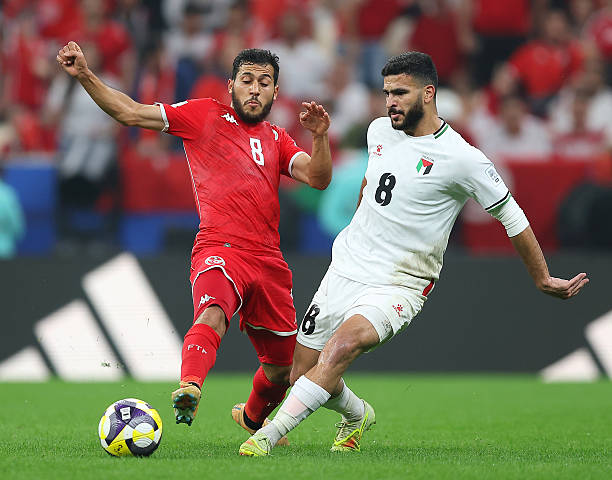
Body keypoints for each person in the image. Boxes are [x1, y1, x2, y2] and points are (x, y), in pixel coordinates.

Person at [239, 52, 589, 457]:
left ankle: (266, 436)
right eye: (387, 92)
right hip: (346, 268)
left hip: (400, 282)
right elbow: (371, 186)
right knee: (302, 372)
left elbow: (512, 216)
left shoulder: (463, 159)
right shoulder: (379, 131)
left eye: (400, 93)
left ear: (428, 93)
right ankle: (357, 414)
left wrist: (541, 277)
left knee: (343, 347)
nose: (391, 102)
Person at [56, 42, 332, 441]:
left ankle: (252, 418)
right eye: (247, 80)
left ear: (275, 91)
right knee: (212, 313)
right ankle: (190, 386)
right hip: (220, 247)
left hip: (269, 260)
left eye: (264, 82)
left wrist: (319, 137)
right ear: (231, 85)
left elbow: (318, 178)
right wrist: (84, 74)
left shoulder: (277, 137)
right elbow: (130, 112)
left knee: (282, 370)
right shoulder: (204, 115)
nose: (255, 89)